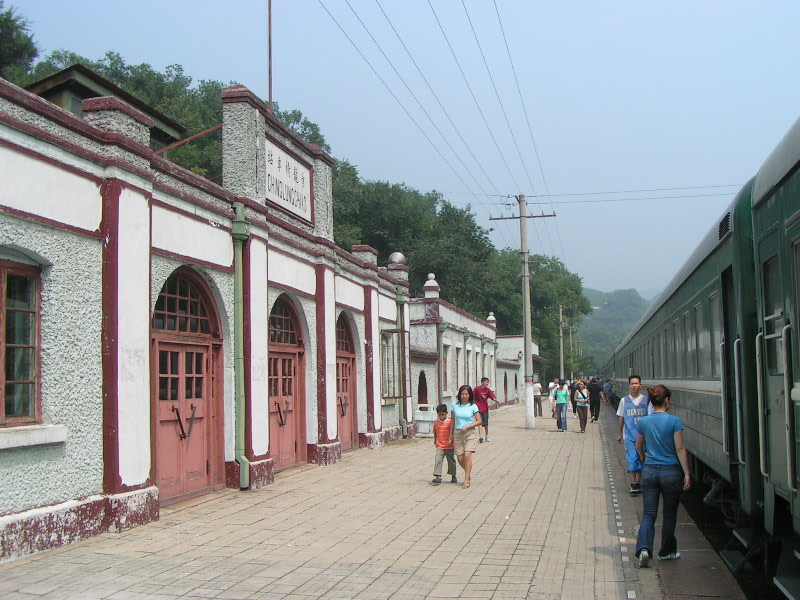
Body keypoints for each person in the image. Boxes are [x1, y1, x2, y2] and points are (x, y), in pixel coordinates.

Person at [635, 384, 691, 567]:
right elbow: (680, 448)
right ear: (667, 400)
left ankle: (644, 549)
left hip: (650, 471)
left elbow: (638, 445)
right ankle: (667, 552)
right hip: (671, 472)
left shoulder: (644, 421)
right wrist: (686, 473)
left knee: (648, 514)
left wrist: (644, 457)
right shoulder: (674, 421)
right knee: (669, 514)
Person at [616, 375, 653, 495]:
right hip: (629, 436)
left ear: (640, 385)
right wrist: (619, 433)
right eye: (632, 383)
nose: (634, 385)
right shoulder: (624, 401)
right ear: (629, 385)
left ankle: (637, 482)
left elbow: (650, 417)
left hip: (643, 437)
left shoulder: (647, 400)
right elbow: (621, 417)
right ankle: (633, 484)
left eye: (636, 383)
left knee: (641, 459)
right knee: (632, 459)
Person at [451, 385, 481, 489]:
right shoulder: (454, 406)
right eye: (462, 394)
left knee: (467, 455)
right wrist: (450, 435)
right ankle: (468, 473)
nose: (464, 396)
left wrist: (468, 427)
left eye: (466, 394)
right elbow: (452, 421)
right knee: (460, 458)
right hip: (458, 433)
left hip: (470, 433)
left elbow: (479, 421)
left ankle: (466, 479)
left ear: (470, 395)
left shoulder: (473, 406)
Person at [431, 403, 457, 485]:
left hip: (449, 445)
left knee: (451, 461)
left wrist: (451, 439)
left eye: (442, 414)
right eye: (439, 415)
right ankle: (438, 476)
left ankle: (453, 475)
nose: (441, 416)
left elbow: (452, 432)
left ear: (446, 413)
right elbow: (435, 432)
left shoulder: (450, 422)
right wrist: (435, 440)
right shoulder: (436, 423)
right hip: (440, 445)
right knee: (438, 459)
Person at [473, 377, 497, 442]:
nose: (487, 384)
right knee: (479, 422)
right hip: (478, 409)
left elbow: (492, 396)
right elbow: (472, 397)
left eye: (488, 382)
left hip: (485, 408)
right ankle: (481, 436)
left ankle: (487, 436)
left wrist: (495, 399)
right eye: (486, 382)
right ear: (482, 382)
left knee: (486, 424)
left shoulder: (488, 390)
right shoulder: (477, 389)